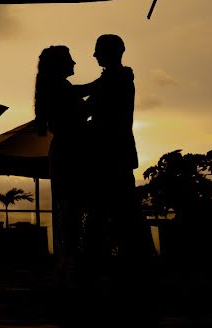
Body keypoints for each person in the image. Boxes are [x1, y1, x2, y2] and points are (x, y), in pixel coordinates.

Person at [84, 34, 152, 269]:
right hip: (117, 152)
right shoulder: (116, 78)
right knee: (122, 210)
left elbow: (87, 106)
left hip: (109, 153)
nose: (94, 55)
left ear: (108, 52)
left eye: (97, 50)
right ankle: (133, 259)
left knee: (108, 210)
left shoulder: (114, 80)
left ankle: (108, 261)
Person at [34, 45, 92, 288]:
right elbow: (81, 110)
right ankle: (71, 265)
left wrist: (101, 85)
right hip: (70, 155)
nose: (75, 63)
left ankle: (67, 264)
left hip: (64, 153)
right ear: (59, 65)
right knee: (72, 210)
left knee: (68, 210)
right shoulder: (59, 90)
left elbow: (84, 90)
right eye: (70, 59)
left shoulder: (57, 88)